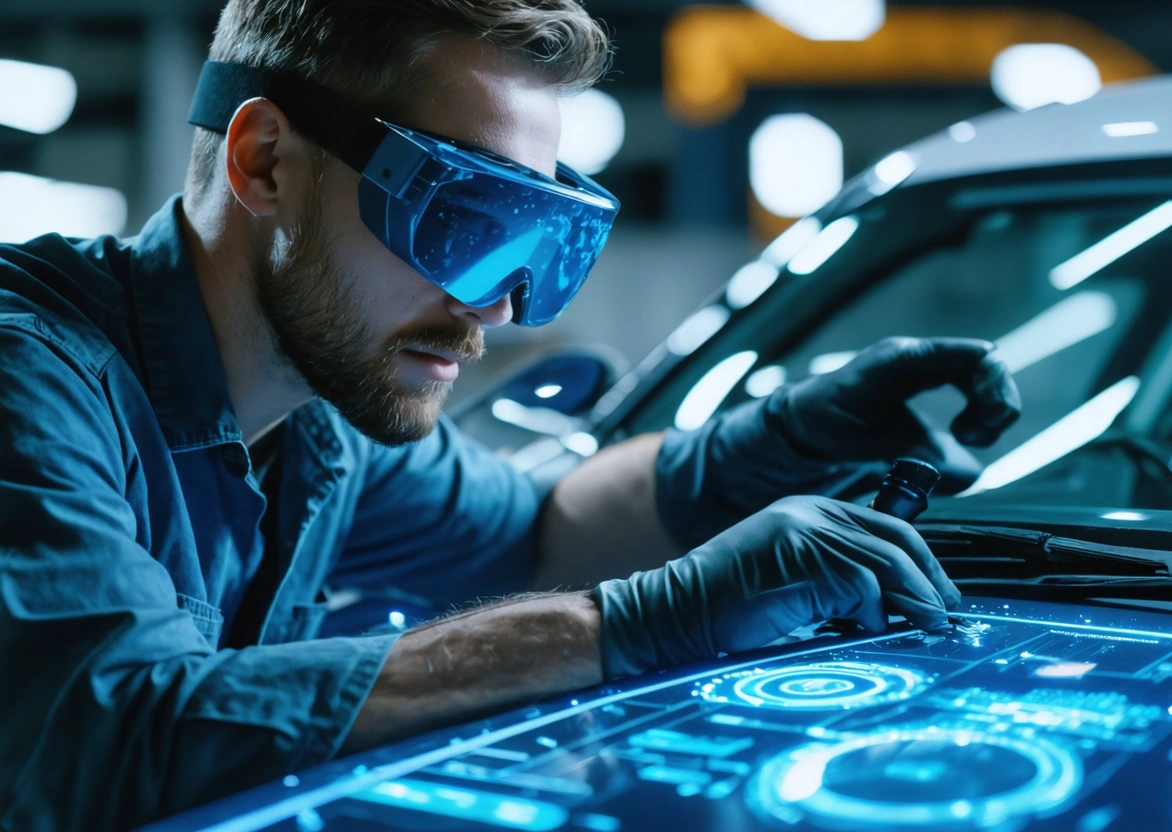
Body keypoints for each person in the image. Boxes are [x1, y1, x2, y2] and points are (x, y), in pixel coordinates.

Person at [0, 1, 1021, 829]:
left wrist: (783, 438)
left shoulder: (322, 418)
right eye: (458, 219)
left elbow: (541, 529)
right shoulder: (31, 374)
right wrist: (639, 619)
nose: (497, 303)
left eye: (538, 239)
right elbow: (107, 737)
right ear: (264, 160)